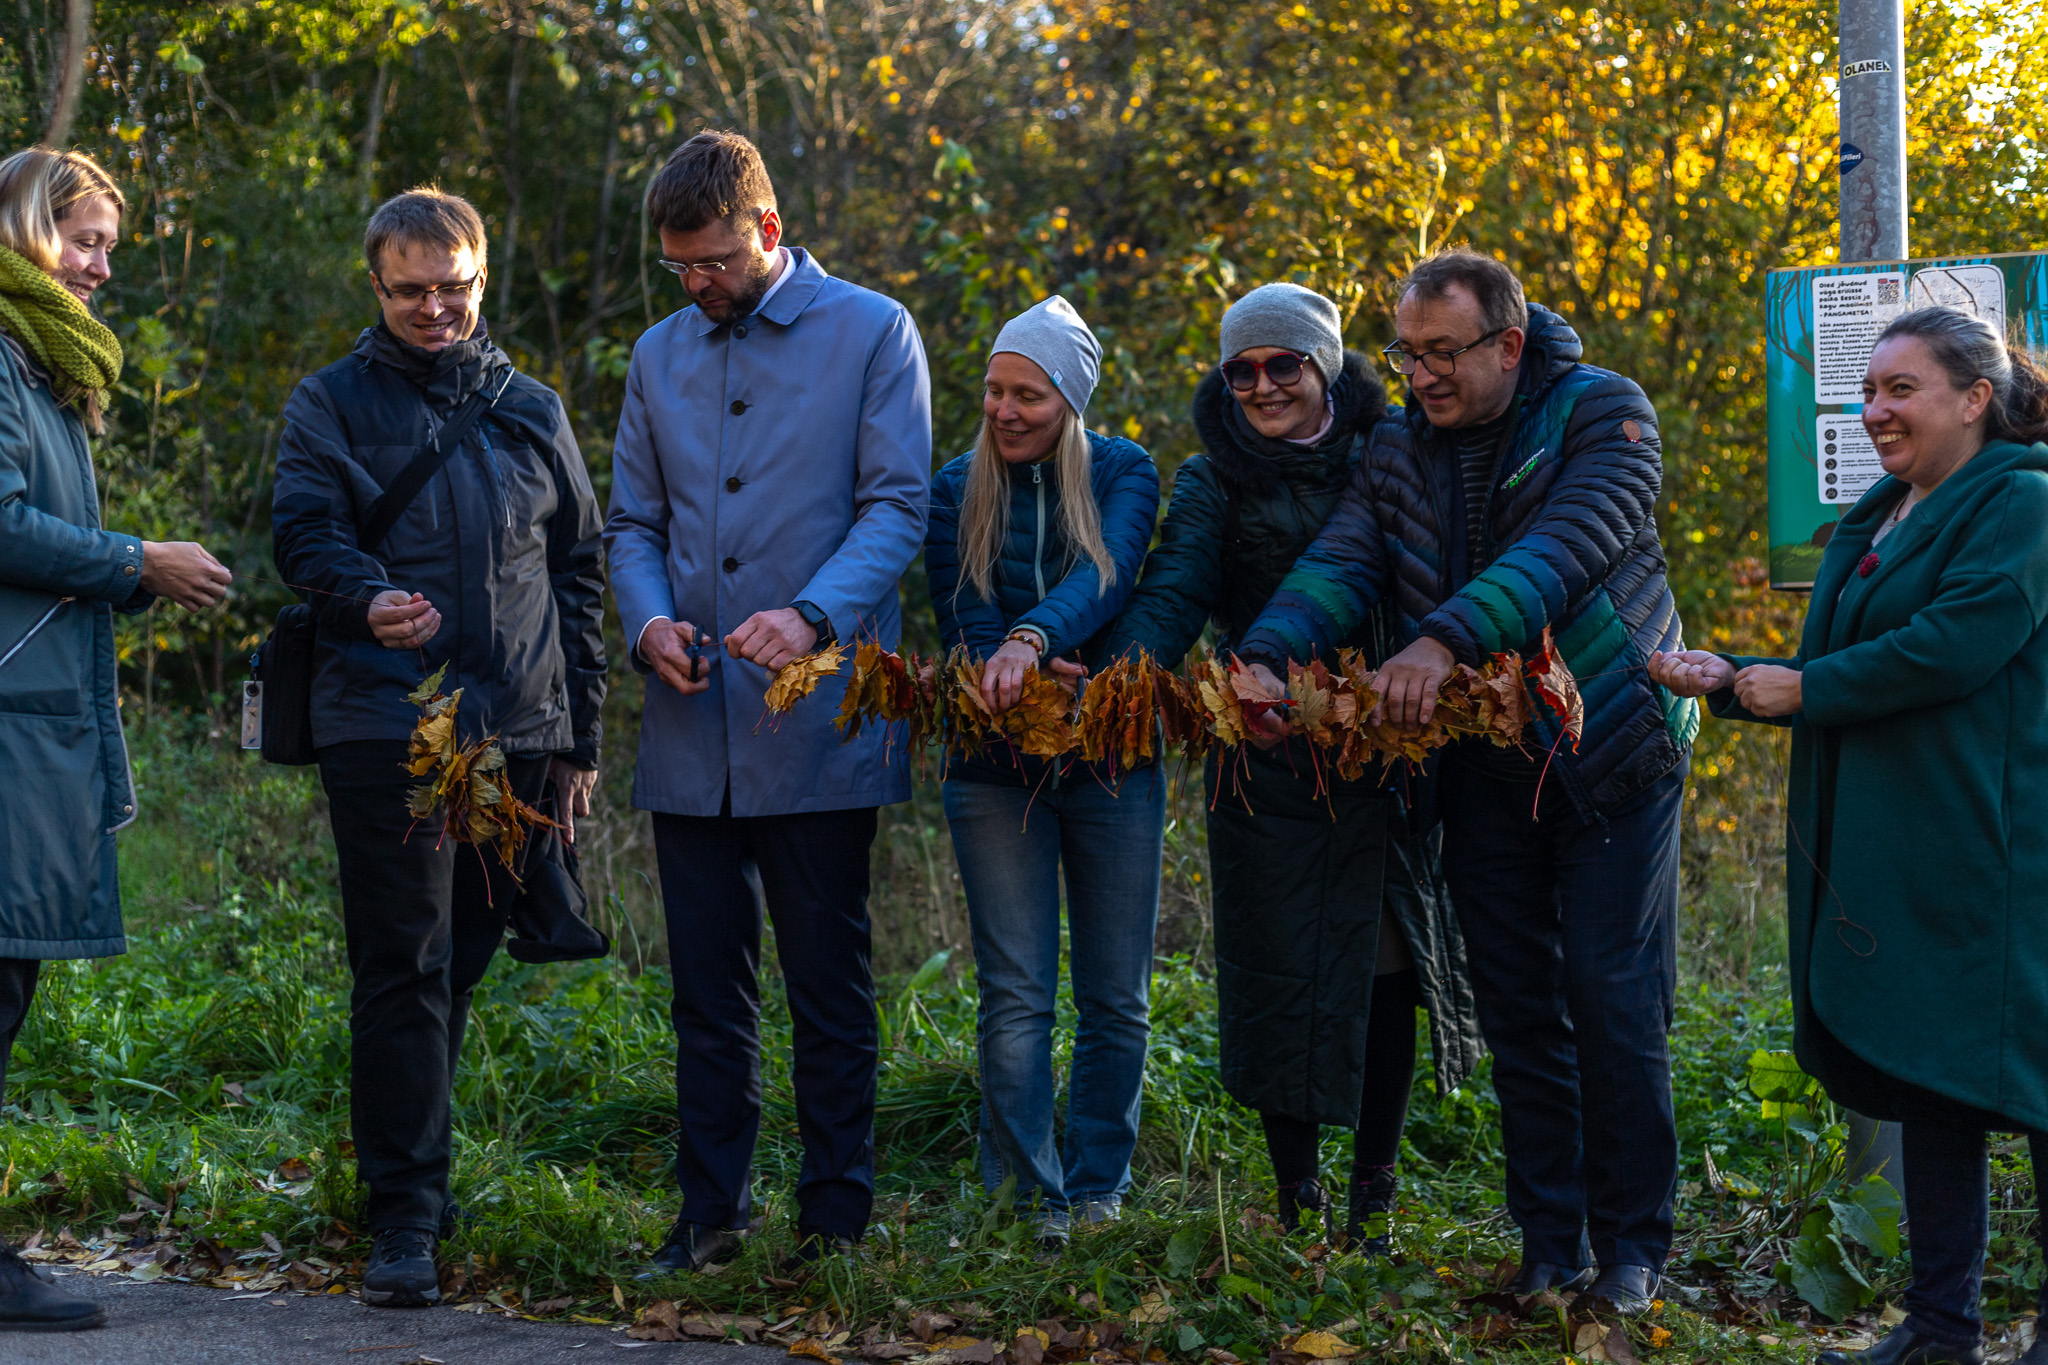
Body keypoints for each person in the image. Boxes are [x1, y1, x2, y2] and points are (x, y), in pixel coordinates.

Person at [1235, 250, 1695, 1307]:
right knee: (1518, 1007)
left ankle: (1631, 1252)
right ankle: (1549, 1243)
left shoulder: (1601, 413)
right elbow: (1344, 559)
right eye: (1404, 354)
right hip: (1481, 766)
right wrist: (1266, 651)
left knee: (1609, 998)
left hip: (1609, 751)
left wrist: (1440, 639)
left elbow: (1568, 548)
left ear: (1507, 345)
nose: (1420, 375)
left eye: (1441, 353)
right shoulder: (1397, 443)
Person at [1652, 308, 2048, 1365]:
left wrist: (1802, 686)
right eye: (1865, 391)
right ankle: (1937, 1331)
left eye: (1898, 390)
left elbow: (1948, 648)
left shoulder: (2022, 505)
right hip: (1905, 843)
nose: (1872, 411)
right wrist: (1735, 679)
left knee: (2036, 1077)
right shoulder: (1883, 510)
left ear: (1973, 398)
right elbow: (1839, 660)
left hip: (1999, 844)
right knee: (1930, 1078)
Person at [271, 187, 606, 1307]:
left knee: (464, 958)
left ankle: (421, 1178)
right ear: (375, 286)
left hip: (516, 732)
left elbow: (578, 576)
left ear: (480, 278)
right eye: (409, 289)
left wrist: (579, 741)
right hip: (385, 725)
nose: (432, 308)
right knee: (403, 963)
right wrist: (367, 601)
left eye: (451, 287)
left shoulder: (533, 410)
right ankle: (403, 1219)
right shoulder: (329, 404)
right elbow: (305, 534)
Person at [605, 131, 930, 1273]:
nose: (698, 285)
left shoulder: (875, 332)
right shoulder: (656, 353)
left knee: (827, 984)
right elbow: (632, 526)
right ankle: (710, 1215)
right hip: (691, 724)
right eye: (679, 267)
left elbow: (897, 508)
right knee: (706, 990)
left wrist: (811, 617)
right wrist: (645, 623)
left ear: (769, 233)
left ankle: (834, 1219)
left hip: (819, 720)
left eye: (715, 263)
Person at [1107, 283, 1482, 1250]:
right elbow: (1177, 585)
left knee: (1385, 967)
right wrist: (1117, 673)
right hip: (1264, 756)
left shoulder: (1394, 449)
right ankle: (1295, 1195)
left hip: (1386, 744)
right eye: (1243, 371)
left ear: (1324, 366)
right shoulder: (1211, 478)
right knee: (1277, 970)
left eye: (1283, 365)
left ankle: (1376, 1195)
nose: (1263, 387)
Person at [0, 146, 231, 1332]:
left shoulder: (45, 367)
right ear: (27, 231)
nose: (99, 269)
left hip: (33, 726)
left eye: (107, 249)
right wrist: (138, 559)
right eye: (84, 241)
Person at [924, 296, 1161, 1247]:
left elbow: (1108, 571)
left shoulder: (1123, 469)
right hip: (991, 765)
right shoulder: (954, 485)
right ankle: (1027, 1197)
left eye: (1028, 393)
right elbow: (962, 609)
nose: (1004, 409)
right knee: (1016, 990)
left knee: (1116, 991)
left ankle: (1100, 1183)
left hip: (1111, 757)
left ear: (1069, 399)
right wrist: (1002, 661)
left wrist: (1037, 638)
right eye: (992, 389)